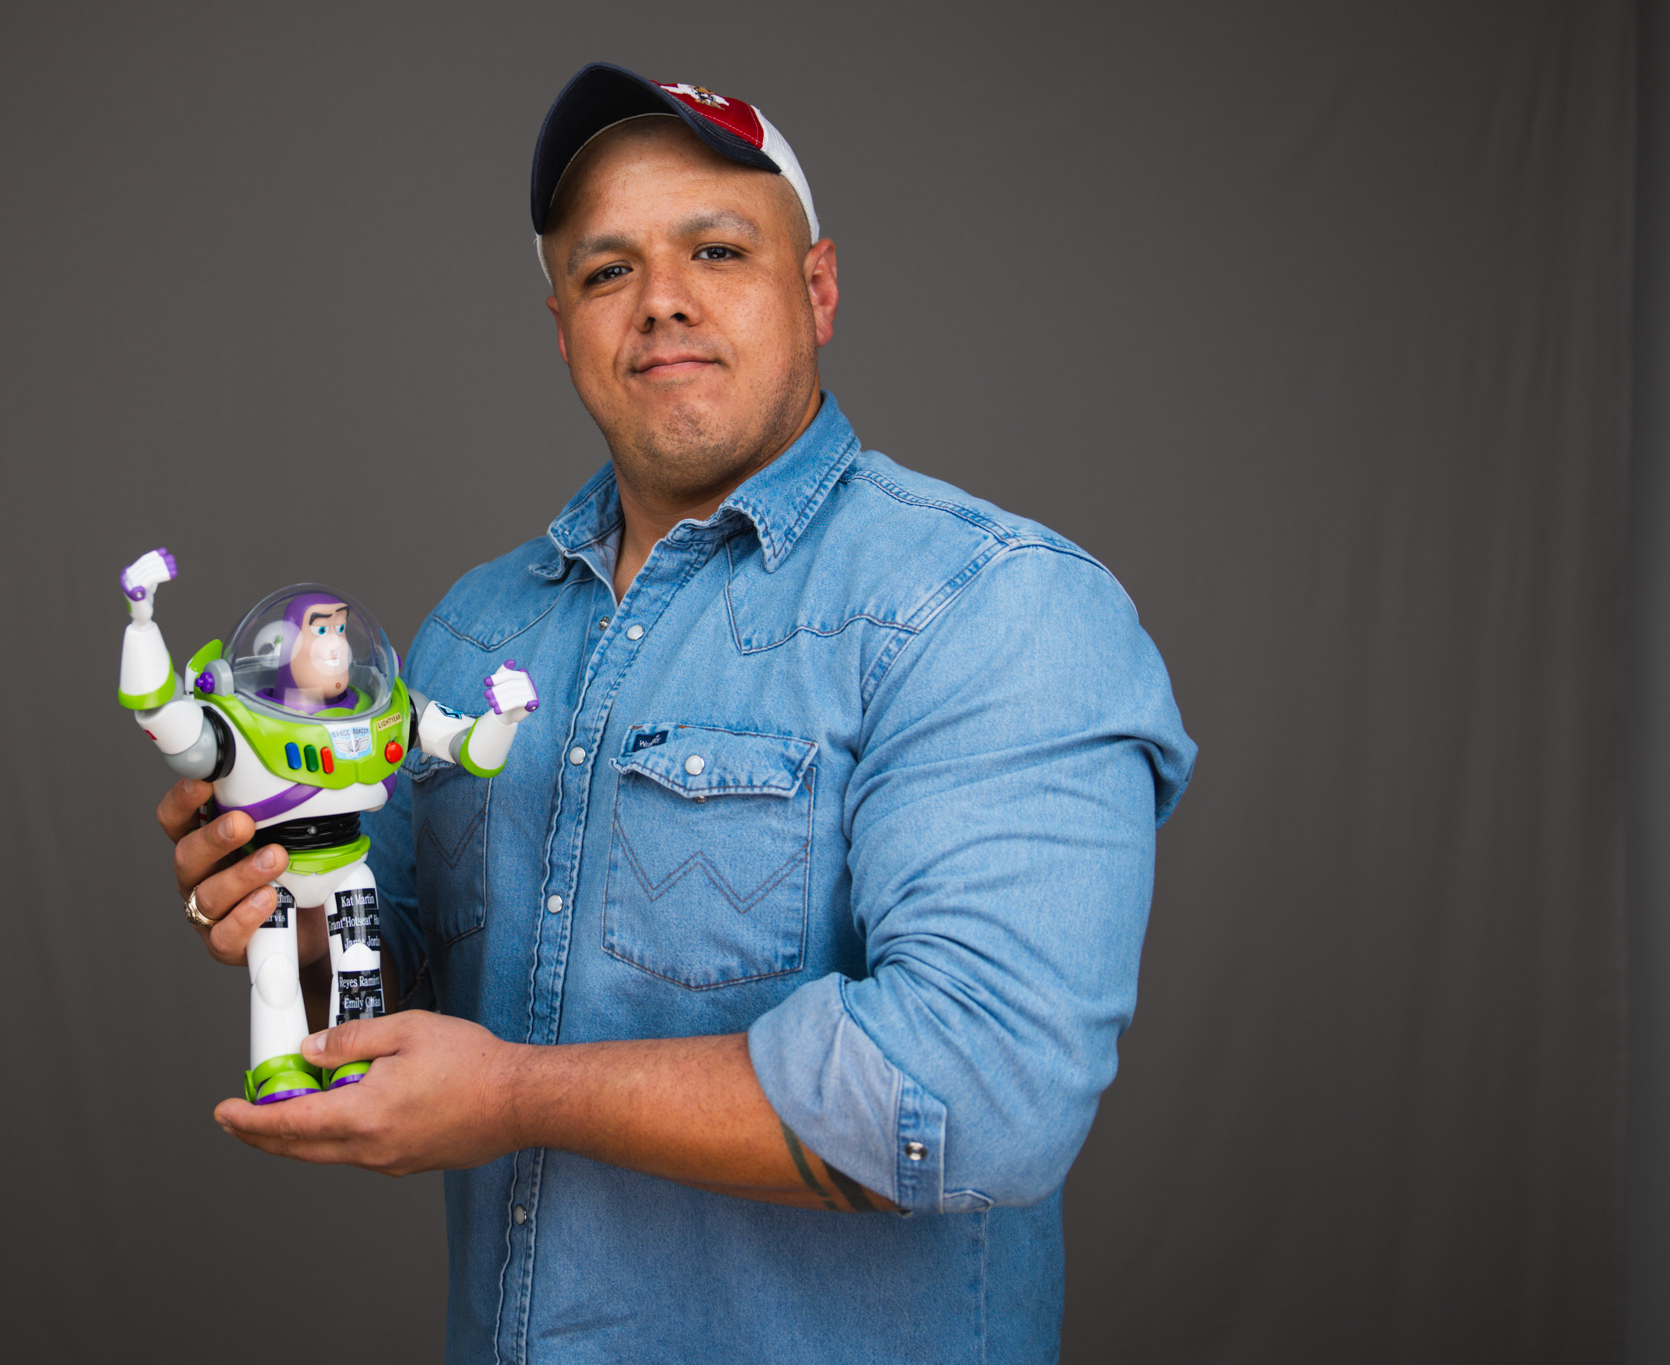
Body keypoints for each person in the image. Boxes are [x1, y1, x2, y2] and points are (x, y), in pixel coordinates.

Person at [156, 62, 1195, 1364]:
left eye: (717, 248)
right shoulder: (478, 631)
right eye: (606, 271)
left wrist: (518, 1099)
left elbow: (979, 1093)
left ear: (816, 288)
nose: (661, 302)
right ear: (561, 326)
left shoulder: (996, 608)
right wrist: (292, 917)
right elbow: (407, 982)